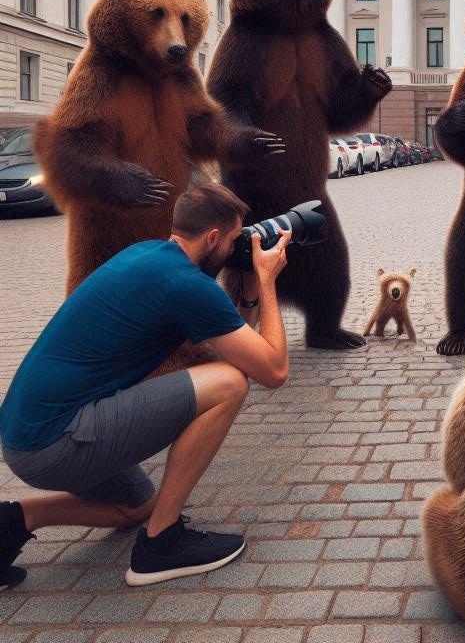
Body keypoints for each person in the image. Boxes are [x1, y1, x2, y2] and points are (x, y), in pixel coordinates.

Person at [0, 181, 292, 589]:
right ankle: (160, 545)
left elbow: (240, 343)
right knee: (228, 384)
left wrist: (246, 287)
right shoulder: (186, 285)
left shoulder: (149, 256)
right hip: (56, 442)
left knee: (137, 505)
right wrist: (268, 280)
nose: (235, 249)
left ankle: (14, 520)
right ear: (212, 238)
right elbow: (273, 371)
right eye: (232, 240)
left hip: (24, 437)